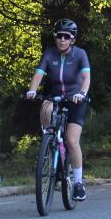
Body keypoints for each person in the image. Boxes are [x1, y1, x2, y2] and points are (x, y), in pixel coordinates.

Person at [26, 18, 91, 201]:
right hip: (54, 97)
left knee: (72, 140)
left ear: (72, 39)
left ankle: (78, 183)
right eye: (59, 36)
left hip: (75, 99)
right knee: (46, 111)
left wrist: (82, 93)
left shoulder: (80, 54)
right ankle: (51, 146)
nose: (62, 39)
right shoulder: (49, 54)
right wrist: (32, 90)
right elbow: (38, 75)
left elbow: (86, 77)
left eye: (66, 37)